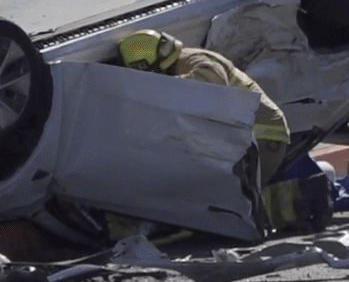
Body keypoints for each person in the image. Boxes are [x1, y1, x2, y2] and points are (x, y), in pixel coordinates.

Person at [118, 29, 291, 183]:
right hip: (241, 141)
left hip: (262, 136)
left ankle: (304, 193)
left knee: (232, 197)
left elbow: (211, 84)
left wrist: (156, 88)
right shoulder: (179, 66)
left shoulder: (192, 59)